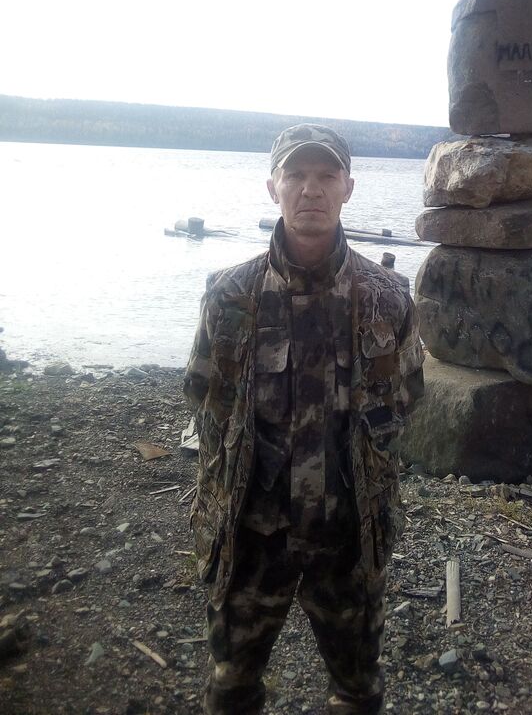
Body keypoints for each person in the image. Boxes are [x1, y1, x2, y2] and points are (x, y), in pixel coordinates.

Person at [184, 123, 424, 715]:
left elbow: (407, 399)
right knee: (231, 686)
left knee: (357, 688)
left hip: (349, 535)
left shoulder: (390, 296)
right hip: (250, 532)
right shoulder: (228, 295)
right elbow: (204, 400)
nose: (310, 189)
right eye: (296, 175)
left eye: (326, 176)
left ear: (348, 188)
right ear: (274, 187)